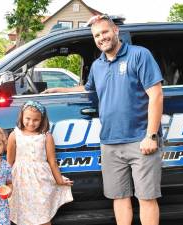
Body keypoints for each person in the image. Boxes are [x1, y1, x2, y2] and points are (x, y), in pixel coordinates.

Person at [43, 15, 164, 225]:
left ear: (115, 31)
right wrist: (57, 89)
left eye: (105, 32)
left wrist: (151, 136)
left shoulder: (139, 55)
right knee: (119, 197)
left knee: (146, 197)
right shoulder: (98, 65)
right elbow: (88, 89)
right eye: (97, 35)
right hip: (110, 142)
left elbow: (156, 95)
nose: (101, 38)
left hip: (140, 139)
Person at [7, 100, 73, 225]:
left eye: (35, 120)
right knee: (23, 217)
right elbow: (9, 162)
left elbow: (52, 161)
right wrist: (5, 181)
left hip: (41, 181)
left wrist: (59, 180)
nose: (31, 123)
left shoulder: (46, 136)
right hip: (20, 181)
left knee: (42, 216)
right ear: (22, 116)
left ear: (42, 120)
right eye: (28, 118)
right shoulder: (14, 135)